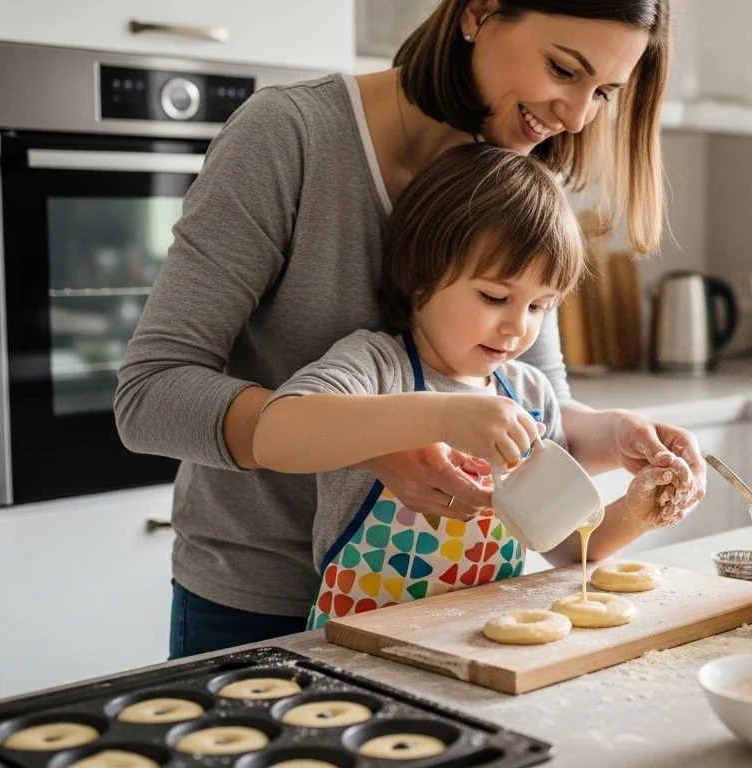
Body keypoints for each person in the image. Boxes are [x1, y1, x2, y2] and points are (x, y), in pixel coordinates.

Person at [115, 0, 706, 659]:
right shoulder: (291, 137)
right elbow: (150, 397)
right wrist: (382, 437)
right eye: (564, 69)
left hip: (446, 613)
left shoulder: (524, 169)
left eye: (603, 93)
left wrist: (617, 434)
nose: (575, 116)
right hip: (260, 606)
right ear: (479, 11)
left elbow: (531, 406)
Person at [253, 143, 685, 629]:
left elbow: (566, 545)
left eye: (539, 306)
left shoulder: (529, 395)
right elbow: (274, 435)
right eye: (495, 296)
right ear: (420, 278)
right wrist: (443, 417)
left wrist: (640, 508)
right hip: (358, 650)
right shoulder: (377, 366)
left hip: (480, 647)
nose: (517, 327)